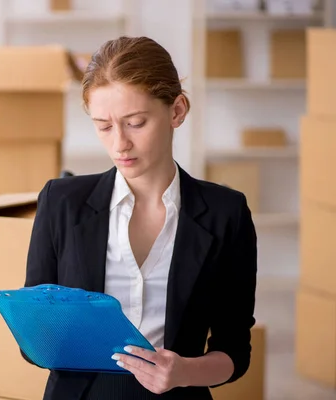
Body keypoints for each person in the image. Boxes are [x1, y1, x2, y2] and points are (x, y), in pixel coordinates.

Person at [24, 36, 258, 399]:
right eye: (103, 126)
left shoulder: (226, 213)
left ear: (177, 111)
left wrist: (184, 372)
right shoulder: (60, 202)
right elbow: (34, 338)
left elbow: (234, 352)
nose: (120, 143)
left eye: (135, 123)